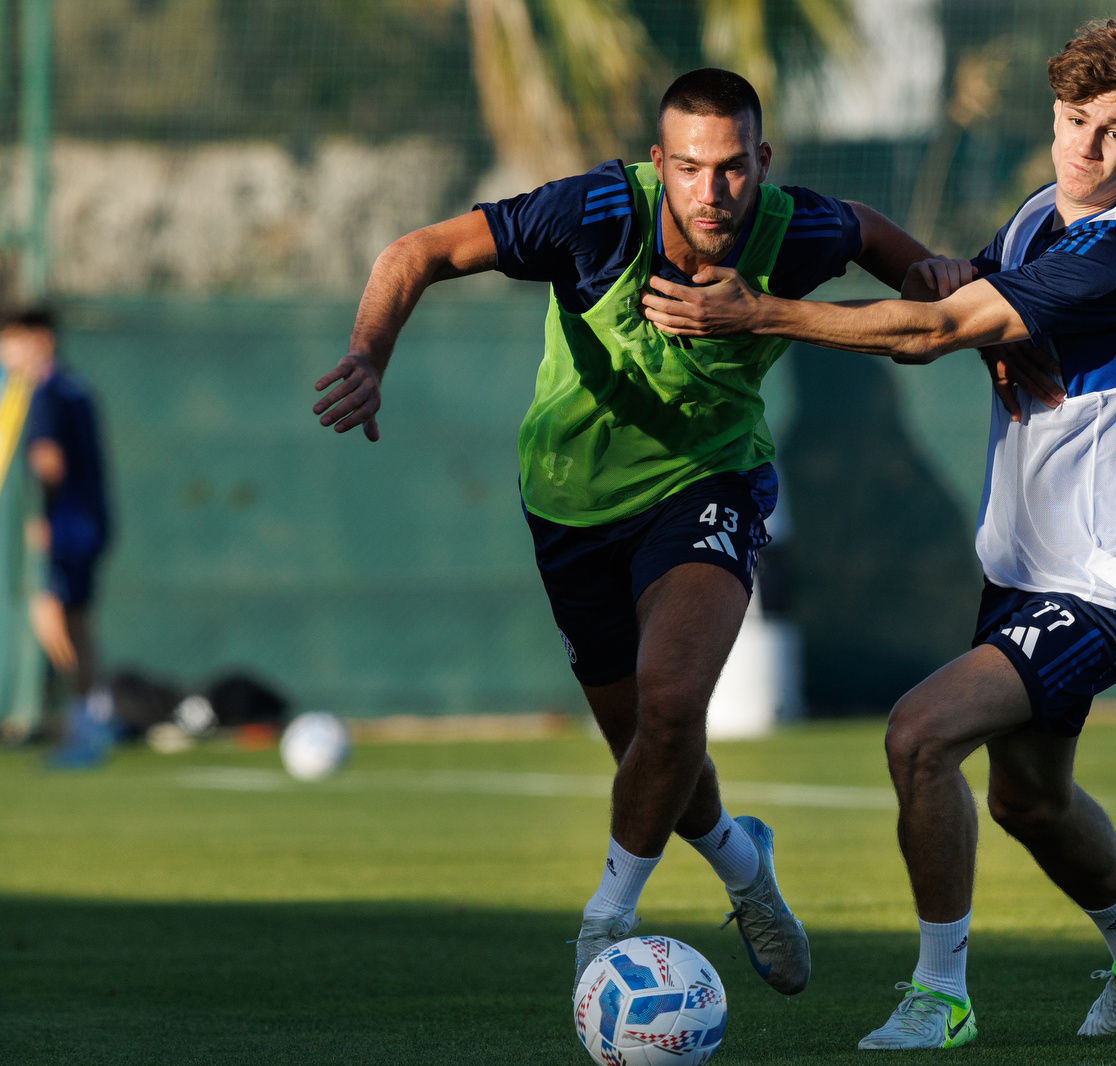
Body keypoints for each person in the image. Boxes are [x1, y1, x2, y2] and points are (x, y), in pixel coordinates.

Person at [311, 68, 982, 997]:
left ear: (763, 162)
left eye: (736, 168)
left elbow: (872, 235)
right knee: (651, 754)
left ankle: (604, 926)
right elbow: (416, 250)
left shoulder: (797, 229)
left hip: (712, 482)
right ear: (659, 161)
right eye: (694, 168)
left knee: (672, 705)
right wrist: (369, 354)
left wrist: (927, 269)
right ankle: (747, 871)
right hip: (568, 507)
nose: (715, 193)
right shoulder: (591, 215)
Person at [643, 9, 1116, 1048]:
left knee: (919, 734)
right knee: (1029, 804)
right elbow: (948, 320)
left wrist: (756, 311)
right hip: (1026, 569)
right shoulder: (1043, 218)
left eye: (1115, 134)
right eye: (1074, 118)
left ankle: (940, 994)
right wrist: (975, 331)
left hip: (1108, 583)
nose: (1085, 148)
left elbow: (939, 326)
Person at [0, 307, 112, 705]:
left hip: (64, 523)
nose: (5, 354)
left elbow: (49, 462)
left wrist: (40, 513)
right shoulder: (74, 386)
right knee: (77, 621)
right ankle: (95, 713)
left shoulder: (46, 391)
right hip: (88, 519)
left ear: (39, 340)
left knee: (49, 616)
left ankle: (87, 708)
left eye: (10, 343)